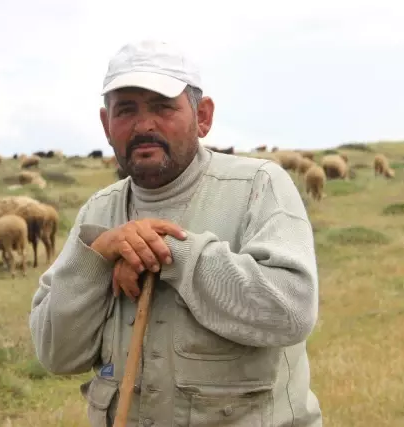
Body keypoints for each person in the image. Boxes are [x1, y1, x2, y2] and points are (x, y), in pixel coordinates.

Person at [29, 39, 323, 427]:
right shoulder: (99, 211)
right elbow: (56, 353)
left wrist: (169, 251)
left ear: (203, 116)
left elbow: (292, 311)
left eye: (163, 107)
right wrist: (97, 257)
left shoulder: (258, 186)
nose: (144, 124)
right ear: (106, 125)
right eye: (126, 110)